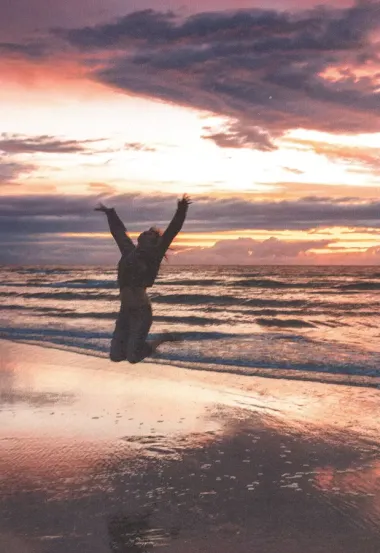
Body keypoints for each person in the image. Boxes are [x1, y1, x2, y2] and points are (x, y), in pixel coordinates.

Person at [95, 194, 191, 363]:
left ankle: (160, 339)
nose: (146, 233)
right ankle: (138, 347)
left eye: (150, 235)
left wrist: (182, 208)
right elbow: (118, 233)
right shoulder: (128, 250)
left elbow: (172, 231)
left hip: (141, 312)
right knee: (116, 356)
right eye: (145, 232)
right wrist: (110, 213)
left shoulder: (153, 257)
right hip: (125, 311)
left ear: (154, 243)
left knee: (132, 357)